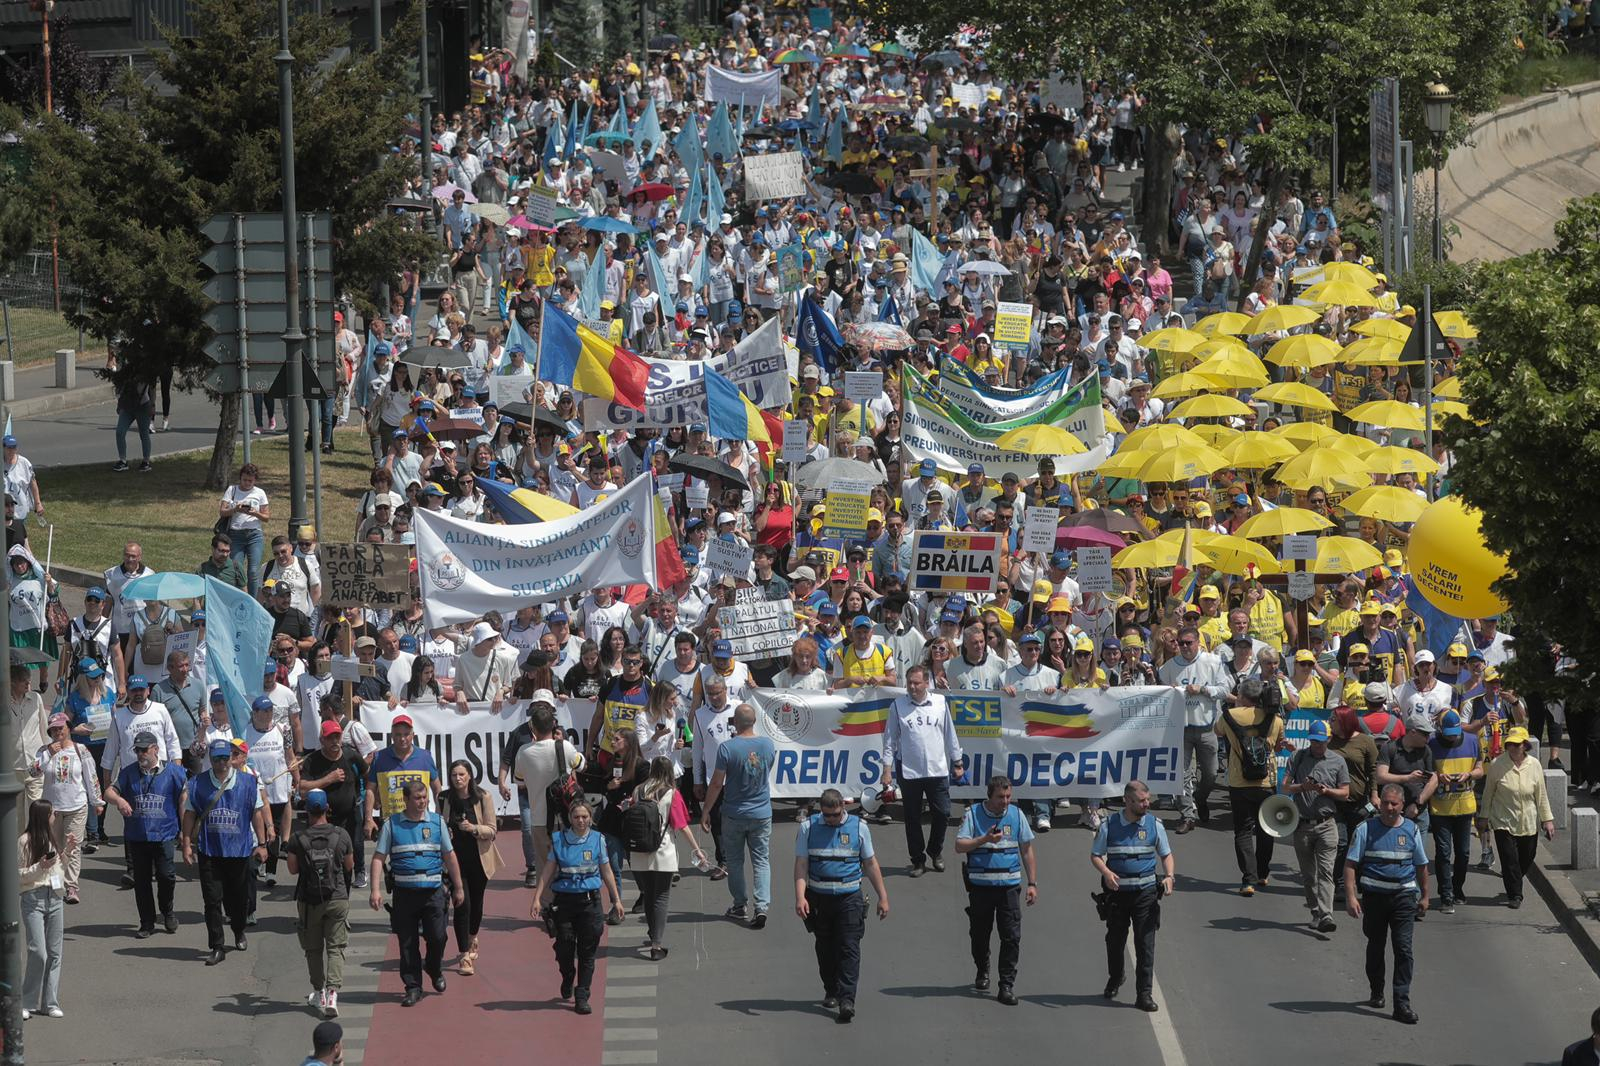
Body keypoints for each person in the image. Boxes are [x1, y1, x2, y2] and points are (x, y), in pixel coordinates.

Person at [793, 787, 890, 1024]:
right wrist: (800, 897)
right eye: (826, 815)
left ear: (843, 808)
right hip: (819, 898)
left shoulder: (859, 828)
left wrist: (883, 897)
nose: (831, 820)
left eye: (835, 815)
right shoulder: (808, 828)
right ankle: (831, 990)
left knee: (849, 948)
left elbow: (870, 863)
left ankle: (847, 1000)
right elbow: (802, 865)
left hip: (849, 898)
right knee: (824, 948)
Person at [368, 779, 466, 1006]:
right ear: (405, 799)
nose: (422, 802)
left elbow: (449, 857)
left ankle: (433, 968)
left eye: (425, 798)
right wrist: (375, 890)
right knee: (407, 943)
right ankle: (413, 986)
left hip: (433, 893)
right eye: (417, 798)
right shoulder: (391, 825)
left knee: (438, 936)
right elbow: (378, 859)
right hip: (404, 894)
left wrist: (459, 887)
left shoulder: (437, 823)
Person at [1345, 782, 1430, 1023]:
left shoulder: (1411, 830)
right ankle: (1376, 990)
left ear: (1402, 806)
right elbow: (1350, 865)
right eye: (1385, 803)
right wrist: (1351, 897)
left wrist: (1424, 896)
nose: (1389, 808)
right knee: (1376, 945)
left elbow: (1421, 865)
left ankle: (1401, 1003)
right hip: (1374, 898)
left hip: (1403, 898)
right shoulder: (1365, 829)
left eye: (1394, 803)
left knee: (1403, 949)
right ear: (1379, 803)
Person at [530, 799, 625, 1015]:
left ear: (590, 818)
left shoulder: (598, 840)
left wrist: (616, 899)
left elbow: (607, 871)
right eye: (576, 817)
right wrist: (537, 898)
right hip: (564, 902)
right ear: (570, 819)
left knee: (587, 951)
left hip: (590, 903)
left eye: (584, 817)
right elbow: (547, 870)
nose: (581, 821)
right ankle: (567, 975)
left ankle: (582, 994)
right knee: (564, 946)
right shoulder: (559, 840)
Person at [183, 739, 271, 966]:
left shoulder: (248, 783)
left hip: (239, 851)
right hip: (209, 850)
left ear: (231, 758)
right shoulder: (198, 783)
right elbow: (190, 814)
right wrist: (185, 844)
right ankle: (217, 945)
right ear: (210, 760)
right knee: (212, 901)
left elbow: (256, 814)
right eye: (217, 759)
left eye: (225, 758)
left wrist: (261, 844)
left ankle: (238, 930)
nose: (222, 763)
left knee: (238, 900)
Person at [1090, 780, 1173, 1013]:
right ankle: (1116, 977)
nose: (1147, 804)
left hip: (1145, 894)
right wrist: (1106, 872)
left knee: (1145, 944)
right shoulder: (1109, 825)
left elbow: (1166, 854)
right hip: (1117, 896)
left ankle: (1144, 994)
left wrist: (1169, 876)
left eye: (1148, 800)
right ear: (1127, 801)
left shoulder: (1155, 825)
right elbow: (1096, 855)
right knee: (1115, 941)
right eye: (1142, 801)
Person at [955, 774, 1037, 1005]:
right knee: (979, 935)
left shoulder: (1017, 815)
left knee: (1011, 938)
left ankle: (1006, 985)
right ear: (989, 795)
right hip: (980, 888)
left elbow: (1027, 850)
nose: (1006, 801)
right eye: (1001, 797)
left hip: (1009, 889)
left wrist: (1032, 883)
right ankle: (983, 968)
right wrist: (984, 839)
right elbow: (959, 846)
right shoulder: (972, 814)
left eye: (1009, 796)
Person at [882, 664, 963, 877]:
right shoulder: (898, 706)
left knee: (943, 813)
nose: (912, 686)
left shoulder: (939, 702)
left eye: (917, 683)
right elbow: (890, 740)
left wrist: (958, 761)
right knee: (912, 817)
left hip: (937, 770)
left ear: (927, 683)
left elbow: (949, 734)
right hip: (910, 772)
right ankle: (917, 860)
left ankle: (935, 851)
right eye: (909, 682)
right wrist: (887, 769)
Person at [103, 727, 185, 936]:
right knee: (142, 881)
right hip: (137, 836)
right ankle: (146, 922)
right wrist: (119, 800)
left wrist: (185, 831)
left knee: (167, 876)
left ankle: (167, 912)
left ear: (156, 749)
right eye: (137, 750)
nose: (140, 754)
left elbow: (185, 799)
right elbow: (109, 792)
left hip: (164, 834)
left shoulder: (174, 772)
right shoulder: (129, 772)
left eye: (144, 750)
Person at [700, 703, 777, 928]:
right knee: (761, 861)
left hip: (734, 812)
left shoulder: (727, 748)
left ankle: (739, 904)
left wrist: (706, 810)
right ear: (754, 721)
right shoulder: (767, 744)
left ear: (735, 722)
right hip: (761, 811)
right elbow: (768, 767)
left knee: (734, 862)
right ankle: (762, 906)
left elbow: (716, 784)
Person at [628, 755, 708, 960]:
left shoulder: (638, 790)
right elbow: (681, 826)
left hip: (638, 851)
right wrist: (697, 849)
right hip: (662, 851)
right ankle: (656, 945)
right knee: (661, 897)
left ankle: (653, 930)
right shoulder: (671, 793)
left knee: (648, 894)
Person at [284, 788, 354, 1019]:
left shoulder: (298, 838)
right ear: (327, 808)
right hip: (337, 898)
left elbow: (293, 869)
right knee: (335, 948)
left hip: (308, 900)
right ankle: (334, 993)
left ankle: (319, 992)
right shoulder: (341, 835)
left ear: (307, 811)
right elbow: (349, 865)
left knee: (313, 950)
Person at [1158, 624, 1231, 833]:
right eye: (1180, 643)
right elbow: (1161, 692)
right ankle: (1187, 815)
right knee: (1182, 774)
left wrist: (1203, 689)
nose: (1184, 647)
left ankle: (1201, 797)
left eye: (1189, 643)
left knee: (1210, 774)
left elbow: (1225, 690)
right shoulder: (1169, 667)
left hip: (1206, 727)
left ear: (1198, 642)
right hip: (1181, 728)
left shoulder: (1213, 661)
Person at [1215, 678, 1285, 895]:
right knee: (1266, 829)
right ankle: (1263, 873)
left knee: (1243, 831)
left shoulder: (1228, 716)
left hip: (1239, 783)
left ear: (1243, 696)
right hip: (1267, 782)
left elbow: (1218, 732)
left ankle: (1248, 879)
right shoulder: (1276, 719)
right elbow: (1280, 745)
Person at [1285, 719, 1351, 933]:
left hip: (1327, 824)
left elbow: (1345, 793)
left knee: (1326, 872)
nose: (1318, 745)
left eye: (1322, 742)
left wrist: (1327, 791)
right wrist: (1302, 786)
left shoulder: (1338, 761)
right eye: (1314, 742)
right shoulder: (1298, 757)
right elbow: (1285, 787)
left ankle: (1326, 914)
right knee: (1308, 875)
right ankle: (1315, 910)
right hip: (1302, 824)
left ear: (1329, 740)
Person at [1480, 725, 1556, 908]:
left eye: (1517, 744)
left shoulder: (1534, 764)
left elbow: (1541, 794)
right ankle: (1515, 895)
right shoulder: (1498, 764)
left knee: (1527, 856)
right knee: (1509, 858)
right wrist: (1484, 816)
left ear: (1525, 745)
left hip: (1528, 821)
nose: (1513, 748)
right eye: (1510, 745)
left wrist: (1547, 820)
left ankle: (1513, 879)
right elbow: (1488, 792)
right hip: (1503, 820)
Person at [31, 713, 99, 905]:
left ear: (68, 728)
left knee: (72, 846)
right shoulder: (44, 751)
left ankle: (71, 886)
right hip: (52, 809)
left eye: (61, 728)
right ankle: (55, 882)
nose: (58, 732)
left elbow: (91, 776)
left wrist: (97, 801)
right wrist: (49, 754)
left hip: (76, 805)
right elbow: (33, 771)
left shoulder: (80, 750)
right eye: (53, 729)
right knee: (53, 847)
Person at [442, 758, 499, 976]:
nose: (458, 779)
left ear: (469, 776)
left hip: (479, 859)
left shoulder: (483, 797)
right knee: (461, 904)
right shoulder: (445, 798)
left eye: (462, 775)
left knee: (476, 905)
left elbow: (492, 830)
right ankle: (464, 955)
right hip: (455, 861)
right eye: (454, 775)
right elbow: (441, 823)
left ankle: (473, 935)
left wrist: (473, 828)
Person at [1428, 709, 1484, 914]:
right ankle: (1446, 896)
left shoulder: (1471, 740)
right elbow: (1426, 770)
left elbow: (1480, 769)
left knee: (1463, 853)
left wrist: (1469, 774)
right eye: (1449, 733)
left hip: (1465, 806)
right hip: (1439, 808)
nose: (1453, 737)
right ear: (1440, 729)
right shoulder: (1431, 743)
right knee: (1443, 853)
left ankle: (1457, 887)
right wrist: (1437, 777)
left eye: (1455, 732)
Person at [19, 798, 67, 1018]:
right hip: (33, 897)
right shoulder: (25, 841)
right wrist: (41, 866)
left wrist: (67, 851)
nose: (55, 816)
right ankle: (27, 1001)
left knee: (55, 953)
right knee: (38, 951)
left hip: (55, 897)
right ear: (43, 816)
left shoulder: (51, 838)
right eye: (52, 813)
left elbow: (58, 867)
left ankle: (50, 1003)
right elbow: (19, 875)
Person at [363, 714, 441, 842]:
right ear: (392, 736)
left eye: (406, 734)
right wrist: (368, 819)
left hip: (420, 821)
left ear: (413, 735)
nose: (402, 738)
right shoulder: (379, 757)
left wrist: (438, 817)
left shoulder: (425, 757)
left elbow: (437, 790)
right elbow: (370, 790)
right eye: (398, 735)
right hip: (391, 823)